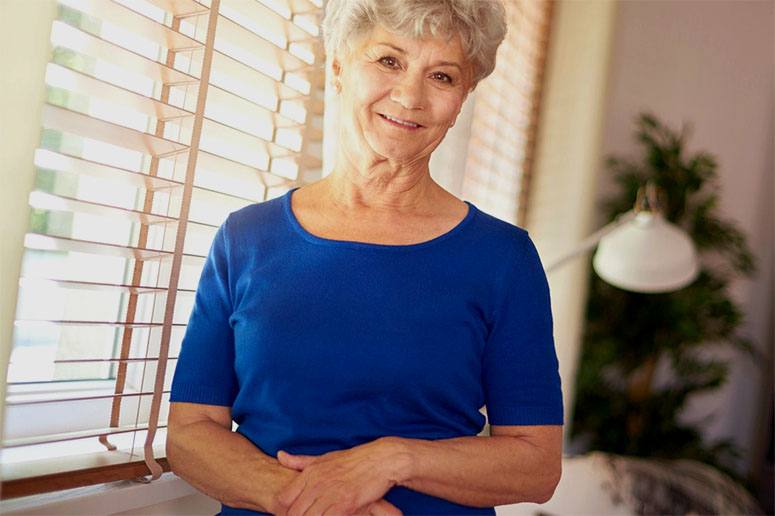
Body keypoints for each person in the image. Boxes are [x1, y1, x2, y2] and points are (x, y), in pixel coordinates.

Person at [166, 1, 564, 514]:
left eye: (441, 76)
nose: (409, 96)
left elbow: (536, 466)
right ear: (338, 65)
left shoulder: (503, 258)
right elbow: (191, 433)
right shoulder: (247, 237)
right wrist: (310, 500)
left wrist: (392, 461)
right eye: (388, 61)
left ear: (464, 96)